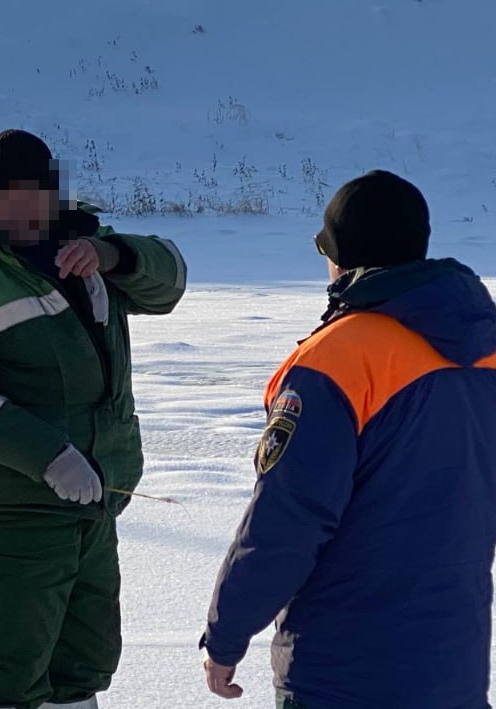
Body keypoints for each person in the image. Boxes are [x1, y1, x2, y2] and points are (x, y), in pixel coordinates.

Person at [201, 170, 496, 708]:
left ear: (342, 256)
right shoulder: (486, 348)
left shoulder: (336, 361)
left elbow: (287, 521)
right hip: (454, 671)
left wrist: (226, 634)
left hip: (343, 673)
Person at [0, 129, 187, 709]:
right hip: (16, 516)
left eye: (31, 193)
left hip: (98, 498)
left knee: (85, 662)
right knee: (10, 674)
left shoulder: (86, 246)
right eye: (4, 194)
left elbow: (170, 281)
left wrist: (113, 256)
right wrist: (50, 457)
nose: (18, 207)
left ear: (52, 194)